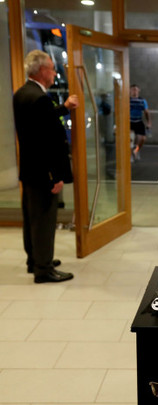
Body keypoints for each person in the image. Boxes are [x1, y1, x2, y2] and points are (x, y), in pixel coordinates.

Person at [13, 50, 78, 283]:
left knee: (32, 218)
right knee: (43, 220)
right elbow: (46, 141)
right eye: (51, 68)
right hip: (43, 172)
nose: (54, 72)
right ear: (41, 71)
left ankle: (34, 260)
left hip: (30, 170)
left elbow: (41, 122)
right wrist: (55, 175)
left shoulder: (23, 93)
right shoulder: (40, 98)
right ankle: (44, 269)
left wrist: (63, 107)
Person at [130, 84, 151, 161]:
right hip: (130, 122)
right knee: (130, 139)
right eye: (132, 89)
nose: (134, 91)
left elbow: (146, 112)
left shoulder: (142, 101)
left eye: (135, 89)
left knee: (142, 139)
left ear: (138, 90)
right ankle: (130, 155)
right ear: (130, 90)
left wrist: (149, 122)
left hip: (138, 121)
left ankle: (136, 150)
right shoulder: (128, 100)